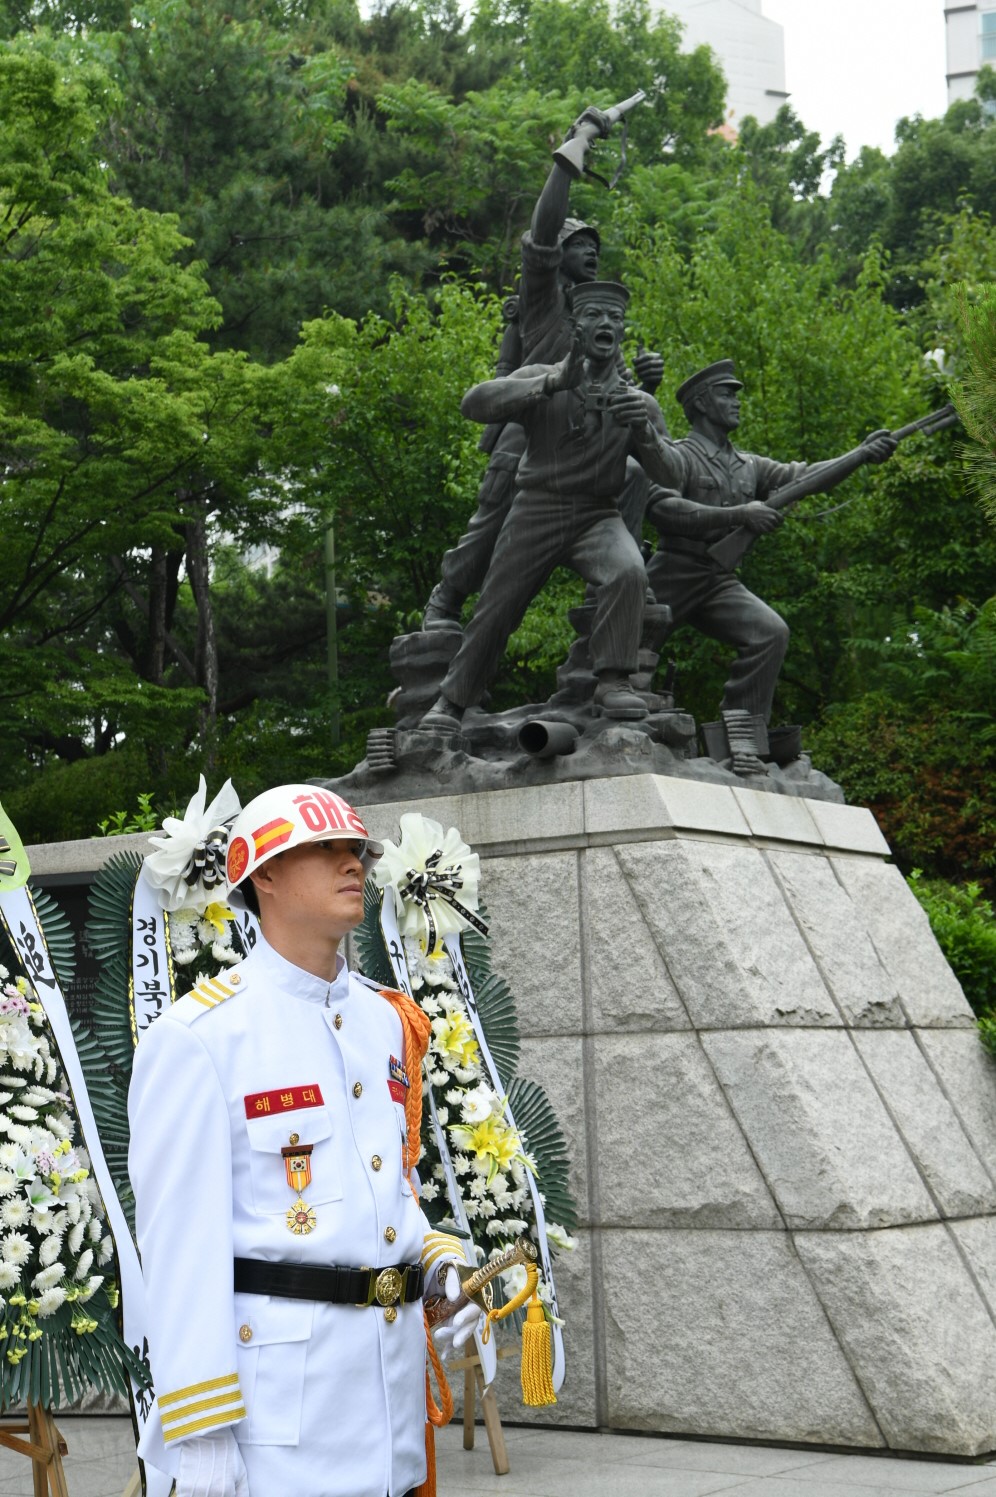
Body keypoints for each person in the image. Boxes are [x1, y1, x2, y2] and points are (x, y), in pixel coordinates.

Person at [128, 783, 478, 1497]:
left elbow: (386, 1190)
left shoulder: (384, 1020)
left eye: (356, 848)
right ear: (265, 877)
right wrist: (202, 1434)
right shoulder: (201, 1038)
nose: (351, 862)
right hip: (282, 1426)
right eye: (323, 849)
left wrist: (439, 1265)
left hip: (386, 1402)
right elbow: (179, 1252)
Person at [422, 106, 663, 632]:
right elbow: (544, 231)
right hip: (529, 423)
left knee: (637, 476)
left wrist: (646, 384)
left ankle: (612, 589)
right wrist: (577, 146)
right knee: (490, 525)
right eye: (580, 246)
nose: (591, 253)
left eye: (596, 248)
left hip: (586, 441)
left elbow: (616, 388)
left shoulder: (601, 319)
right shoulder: (543, 301)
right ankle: (447, 596)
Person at [421, 281, 678, 728]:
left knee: (629, 570)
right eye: (596, 316)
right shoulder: (544, 376)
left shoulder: (639, 402)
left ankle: (613, 680)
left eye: (614, 319)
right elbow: (473, 404)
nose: (606, 325)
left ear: (622, 330)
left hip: (597, 514)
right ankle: (452, 701)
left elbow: (674, 476)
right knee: (498, 606)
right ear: (576, 325)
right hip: (537, 508)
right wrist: (550, 383)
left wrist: (645, 434)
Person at [644, 360, 897, 770]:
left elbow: (809, 476)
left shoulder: (750, 466)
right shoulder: (678, 457)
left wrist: (861, 455)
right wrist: (740, 515)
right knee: (621, 655)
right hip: (672, 572)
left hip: (717, 579)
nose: (737, 402)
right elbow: (662, 510)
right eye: (728, 394)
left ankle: (742, 743)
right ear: (702, 403)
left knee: (769, 632)